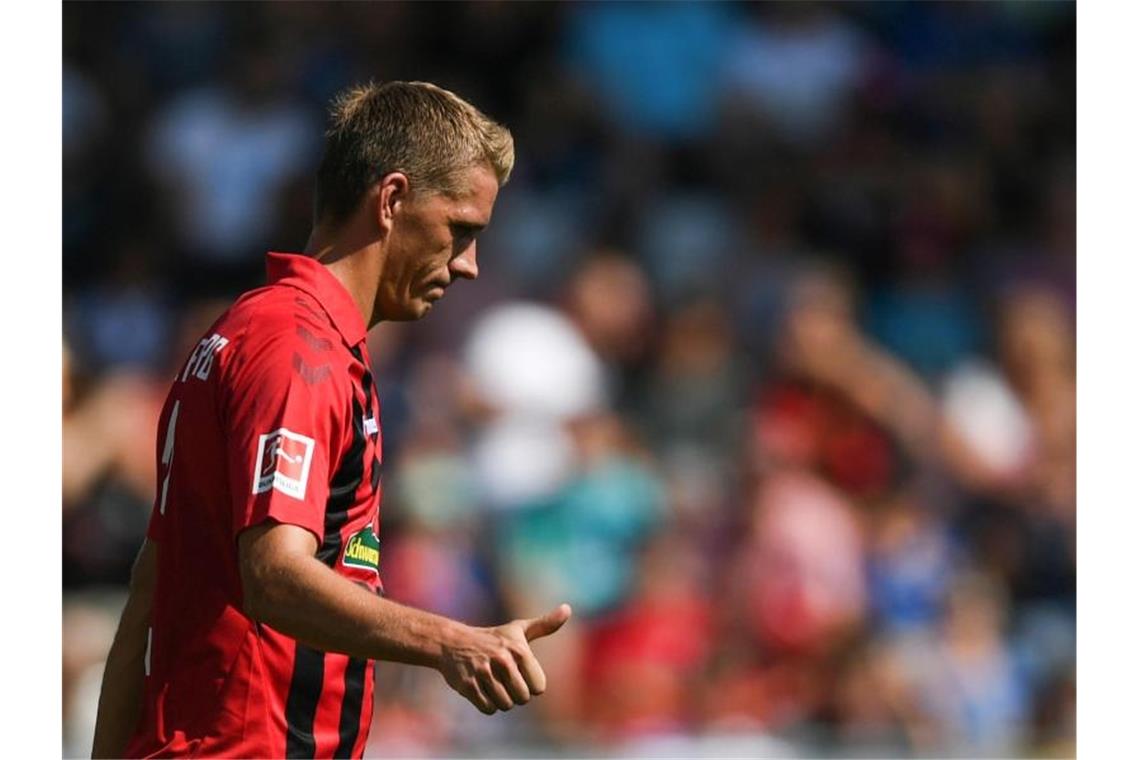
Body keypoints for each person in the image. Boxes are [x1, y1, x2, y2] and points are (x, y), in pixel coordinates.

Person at [91, 81, 573, 759]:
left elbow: (150, 594)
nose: (468, 264)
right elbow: (275, 574)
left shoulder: (251, 333)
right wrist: (452, 643)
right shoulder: (298, 350)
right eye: (459, 230)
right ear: (393, 199)